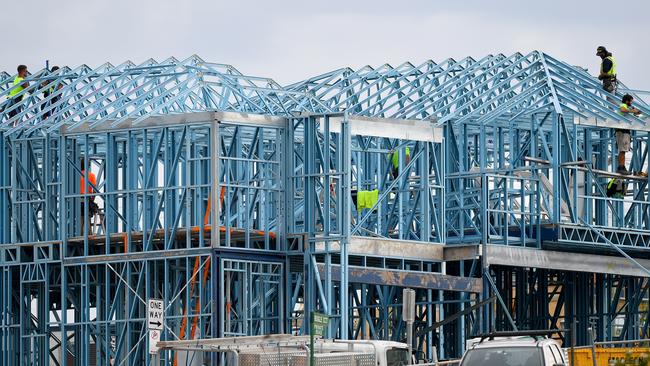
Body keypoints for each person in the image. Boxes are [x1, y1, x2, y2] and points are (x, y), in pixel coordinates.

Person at [615, 94, 642, 175]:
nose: (631, 103)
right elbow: (623, 110)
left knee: (624, 150)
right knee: (622, 150)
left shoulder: (628, 108)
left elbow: (631, 114)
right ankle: (620, 167)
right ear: (627, 101)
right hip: (622, 131)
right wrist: (632, 111)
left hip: (625, 131)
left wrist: (636, 112)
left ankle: (622, 167)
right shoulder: (623, 105)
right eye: (631, 101)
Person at [80, 158, 99, 225]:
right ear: (88, 166)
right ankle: (87, 233)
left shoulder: (75, 175)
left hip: (76, 201)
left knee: (78, 220)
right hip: (87, 200)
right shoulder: (91, 175)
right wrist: (92, 200)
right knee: (87, 220)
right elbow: (95, 190)